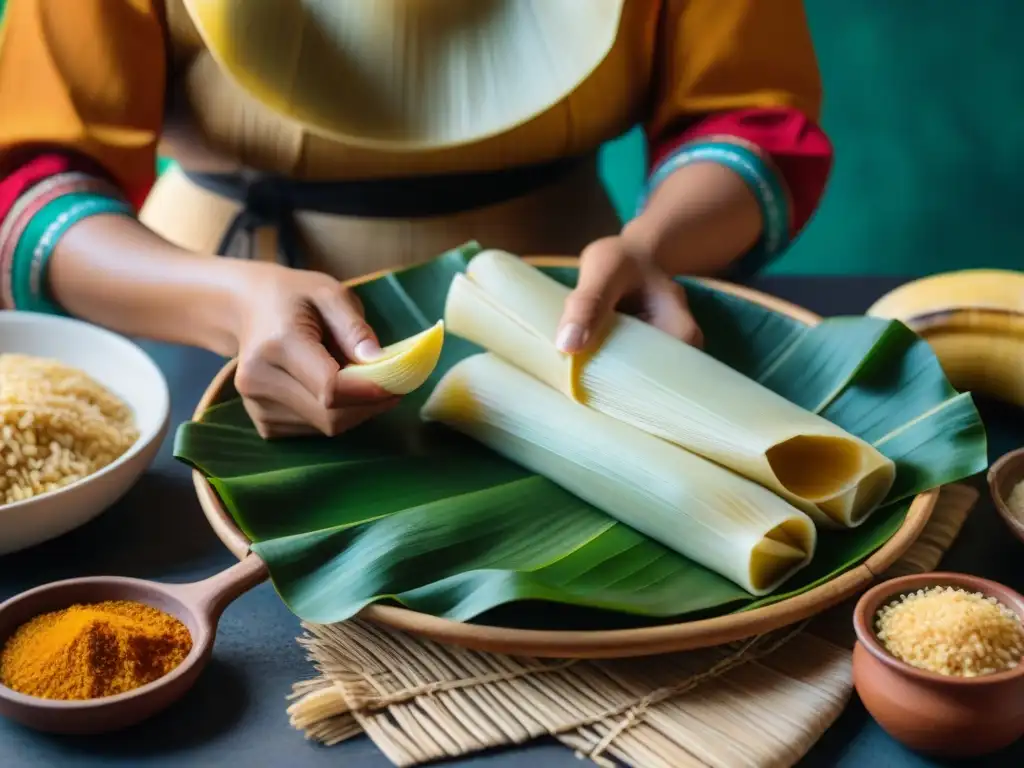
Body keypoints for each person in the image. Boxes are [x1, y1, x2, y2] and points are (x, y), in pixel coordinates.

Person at [0, 0, 832, 438]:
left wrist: (661, 244)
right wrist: (227, 304)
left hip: (573, 332)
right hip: (213, 345)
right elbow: (32, 180)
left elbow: (748, 123)